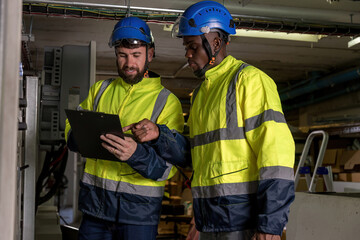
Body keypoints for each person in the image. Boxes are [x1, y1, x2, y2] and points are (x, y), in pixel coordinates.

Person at [125, 1, 295, 240]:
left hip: (243, 221)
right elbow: (197, 157)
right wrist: (159, 135)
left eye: (193, 46)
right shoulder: (201, 94)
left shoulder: (249, 81)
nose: (187, 54)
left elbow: (276, 157)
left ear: (215, 43)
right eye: (187, 47)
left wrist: (270, 225)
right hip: (209, 220)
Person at [64, 16, 184, 240]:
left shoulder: (167, 102)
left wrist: (135, 154)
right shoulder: (100, 90)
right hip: (95, 209)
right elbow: (71, 125)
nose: (129, 63)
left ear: (150, 53)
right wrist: (82, 138)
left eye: (136, 55)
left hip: (138, 216)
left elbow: (169, 168)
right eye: (122, 55)